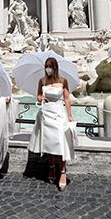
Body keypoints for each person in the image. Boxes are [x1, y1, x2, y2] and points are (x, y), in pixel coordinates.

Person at [27, 57, 75, 191]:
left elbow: (66, 99)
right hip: (45, 113)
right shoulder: (42, 81)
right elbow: (38, 95)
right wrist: (40, 97)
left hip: (58, 113)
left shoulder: (63, 80)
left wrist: (70, 115)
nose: (47, 68)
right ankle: (52, 168)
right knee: (48, 142)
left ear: (55, 67)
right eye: (46, 66)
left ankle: (63, 172)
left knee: (61, 141)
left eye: (50, 66)